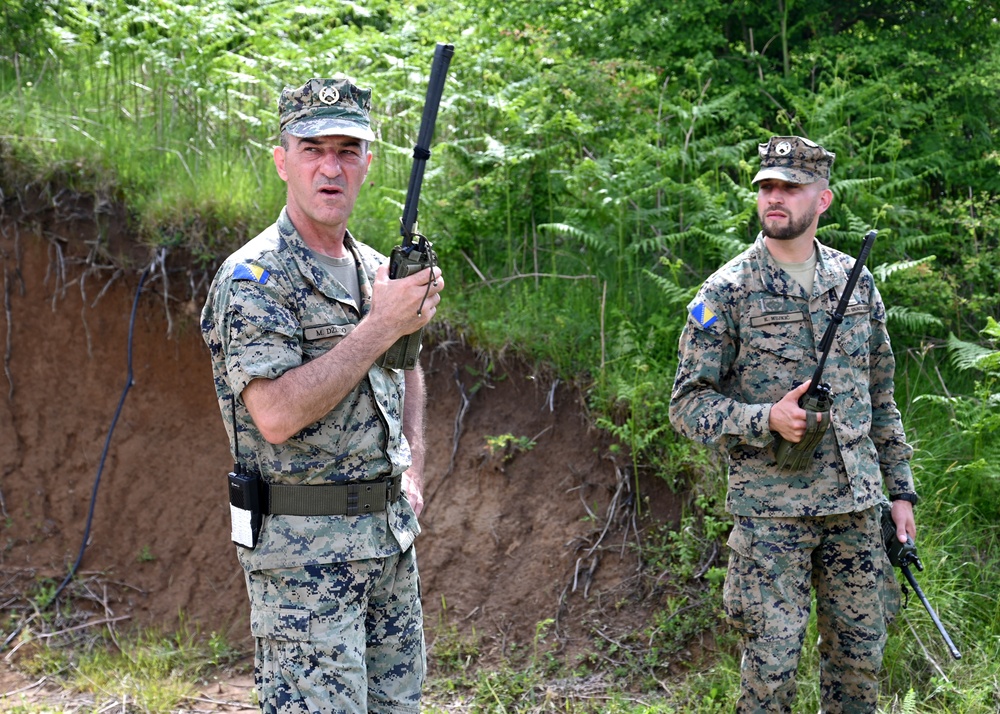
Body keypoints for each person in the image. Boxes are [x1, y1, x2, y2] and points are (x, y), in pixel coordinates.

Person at [201, 76, 444, 713]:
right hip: (303, 562)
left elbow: (404, 366)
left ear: (368, 162)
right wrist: (381, 324)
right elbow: (275, 414)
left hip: (386, 545)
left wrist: (412, 461)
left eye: (346, 150)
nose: (329, 168)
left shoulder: (373, 269)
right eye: (312, 150)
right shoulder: (255, 275)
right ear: (282, 160)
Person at [668, 136, 917, 713]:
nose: (774, 198)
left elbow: (881, 399)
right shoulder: (727, 292)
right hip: (771, 516)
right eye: (766, 187)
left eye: (789, 187)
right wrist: (766, 418)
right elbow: (686, 405)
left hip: (856, 508)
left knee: (859, 669)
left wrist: (900, 492)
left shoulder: (855, 284)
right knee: (770, 670)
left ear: (822, 199)